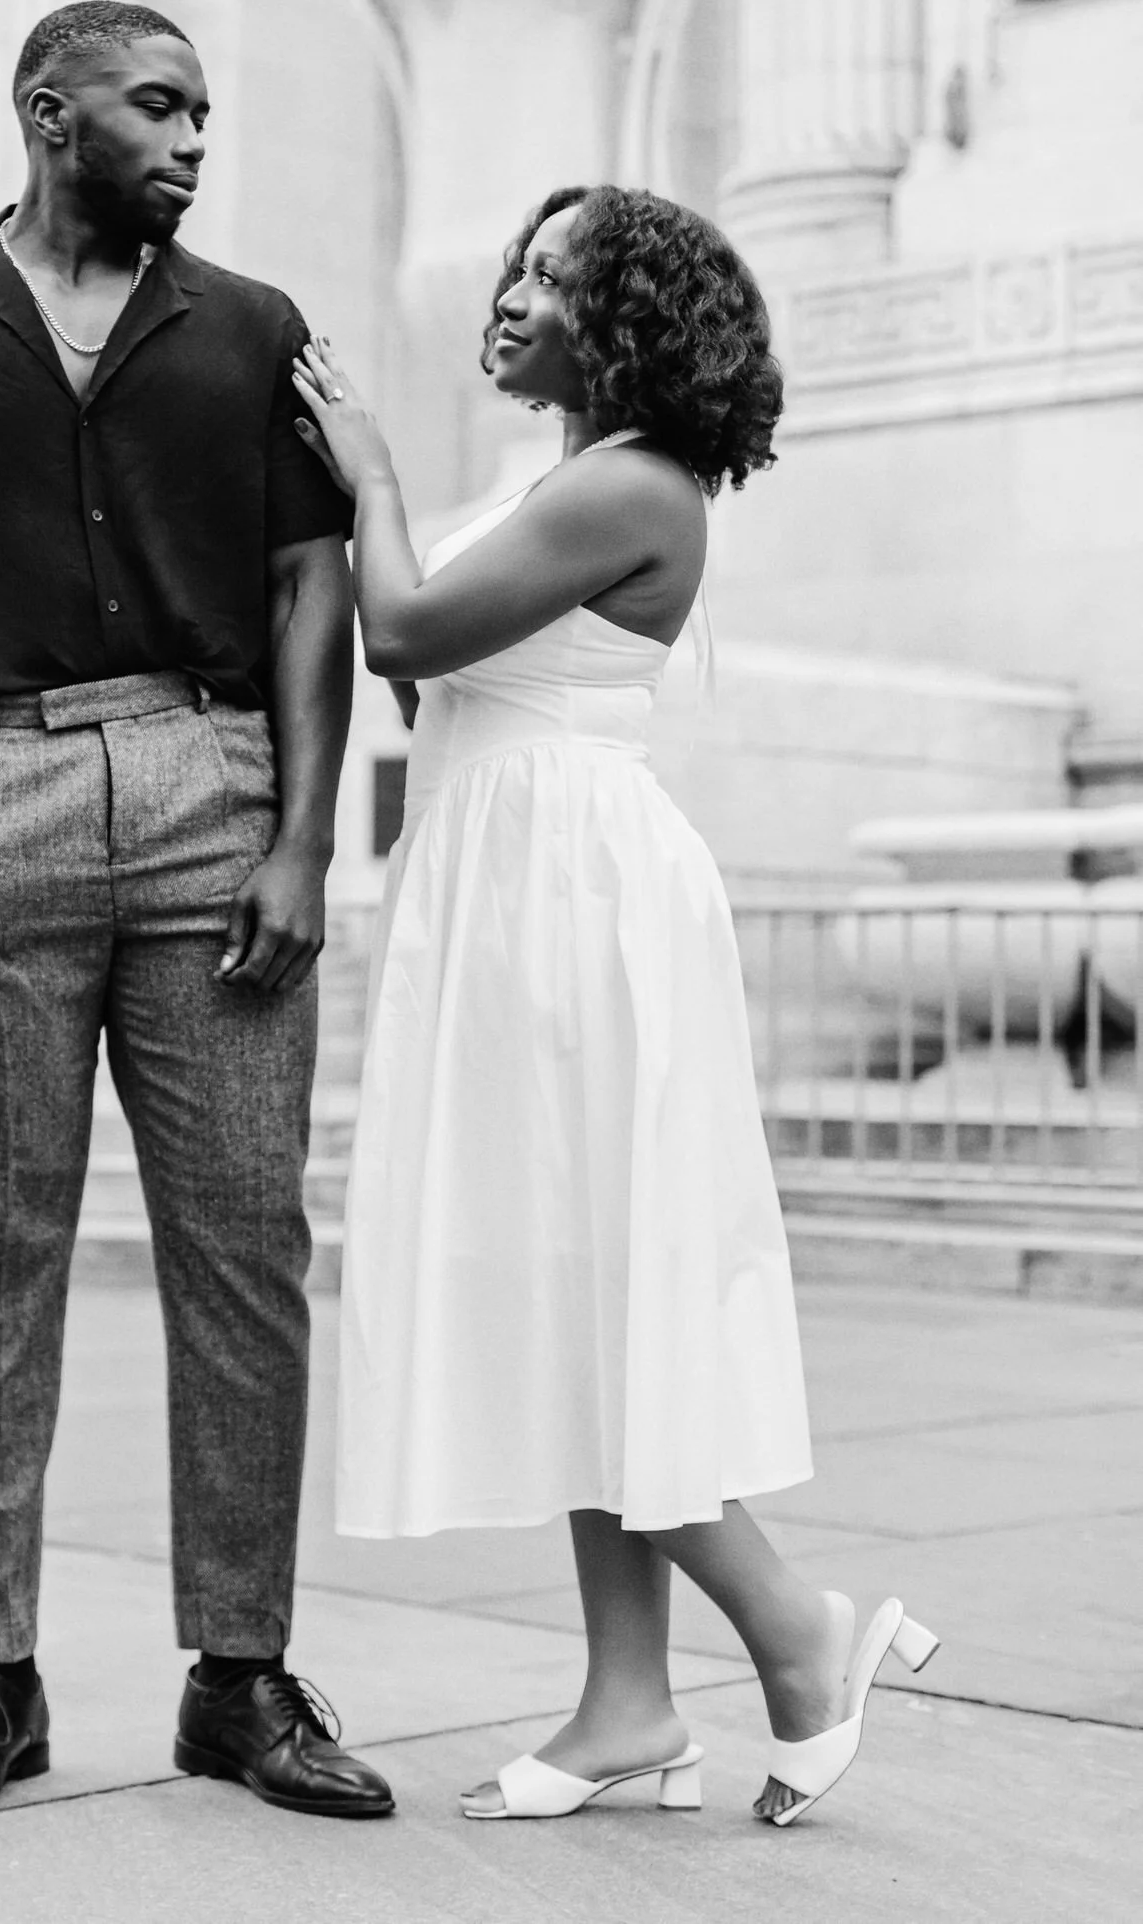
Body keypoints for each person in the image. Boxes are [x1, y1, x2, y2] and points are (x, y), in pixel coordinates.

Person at [0, 0, 394, 1825]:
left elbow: (308, 589)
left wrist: (303, 840)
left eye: (208, 109)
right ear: (53, 112)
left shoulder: (252, 331)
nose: (196, 137)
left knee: (245, 1255)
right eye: (160, 104)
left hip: (213, 806)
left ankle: (243, 1678)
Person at [292, 184, 937, 1829]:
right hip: (524, 881)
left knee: (607, 1290)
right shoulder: (568, 477)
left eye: (555, 277)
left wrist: (367, 469)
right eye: (513, 262)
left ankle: (799, 1632)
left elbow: (407, 629)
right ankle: (629, 1705)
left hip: (572, 898)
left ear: (630, 320)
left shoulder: (629, 483)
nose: (513, 293)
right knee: (584, 1293)